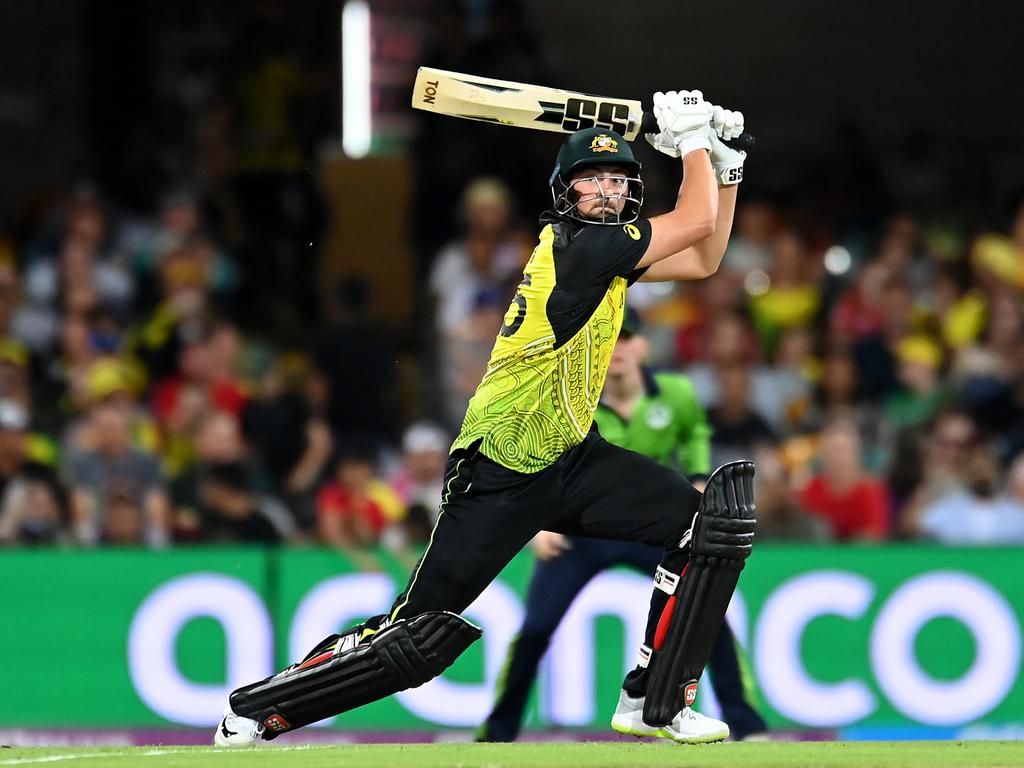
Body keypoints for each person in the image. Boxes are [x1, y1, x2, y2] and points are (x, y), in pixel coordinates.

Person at [217, 90, 754, 746]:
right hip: (500, 469)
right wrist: (693, 139)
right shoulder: (582, 250)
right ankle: (257, 709)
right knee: (413, 640)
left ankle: (655, 700)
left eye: (620, 181)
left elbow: (704, 256)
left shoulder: (607, 259)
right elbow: (695, 219)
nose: (609, 192)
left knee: (709, 524)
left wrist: (723, 162)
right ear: (566, 191)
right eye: (594, 180)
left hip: (572, 457)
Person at [477, 309, 767, 742]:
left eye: (627, 339)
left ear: (643, 347)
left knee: (706, 617)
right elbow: (533, 457)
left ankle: (746, 723)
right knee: (535, 629)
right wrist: (538, 524)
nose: (618, 349)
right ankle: (496, 734)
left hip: (654, 532)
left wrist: (697, 474)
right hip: (581, 534)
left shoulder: (676, 395)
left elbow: (694, 433)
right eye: (610, 339)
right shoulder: (572, 401)